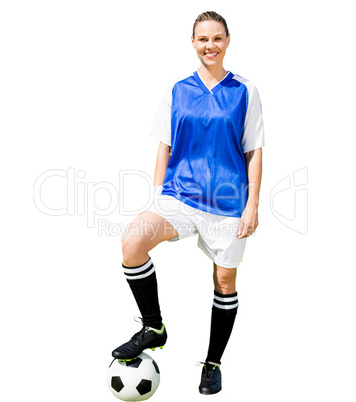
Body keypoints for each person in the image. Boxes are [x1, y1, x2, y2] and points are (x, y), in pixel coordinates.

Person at [112, 10, 265, 395]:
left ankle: (212, 363)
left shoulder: (245, 91)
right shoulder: (177, 88)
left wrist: (253, 205)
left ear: (228, 41)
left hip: (229, 202)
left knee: (225, 281)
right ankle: (153, 326)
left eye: (216, 38)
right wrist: (159, 191)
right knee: (132, 242)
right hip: (181, 193)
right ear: (192, 43)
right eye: (202, 39)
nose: (209, 46)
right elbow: (164, 143)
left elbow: (254, 149)